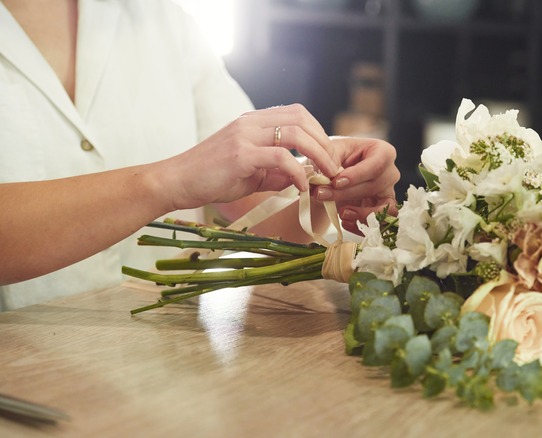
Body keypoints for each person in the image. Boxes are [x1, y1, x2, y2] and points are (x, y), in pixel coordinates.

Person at [0, 0, 399, 310]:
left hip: (172, 366)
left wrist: (327, 184)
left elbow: (259, 210)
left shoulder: (161, 18)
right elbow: (190, 175)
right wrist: (169, 182)